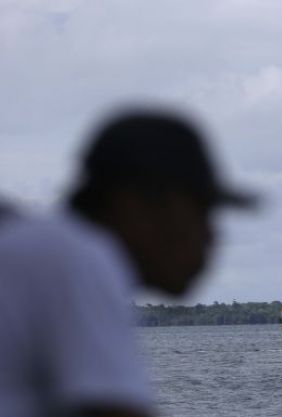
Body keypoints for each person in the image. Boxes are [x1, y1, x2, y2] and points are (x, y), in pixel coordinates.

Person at [0, 109, 255, 417]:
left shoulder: (32, 250)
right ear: (135, 205)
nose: (211, 236)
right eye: (200, 212)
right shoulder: (75, 257)